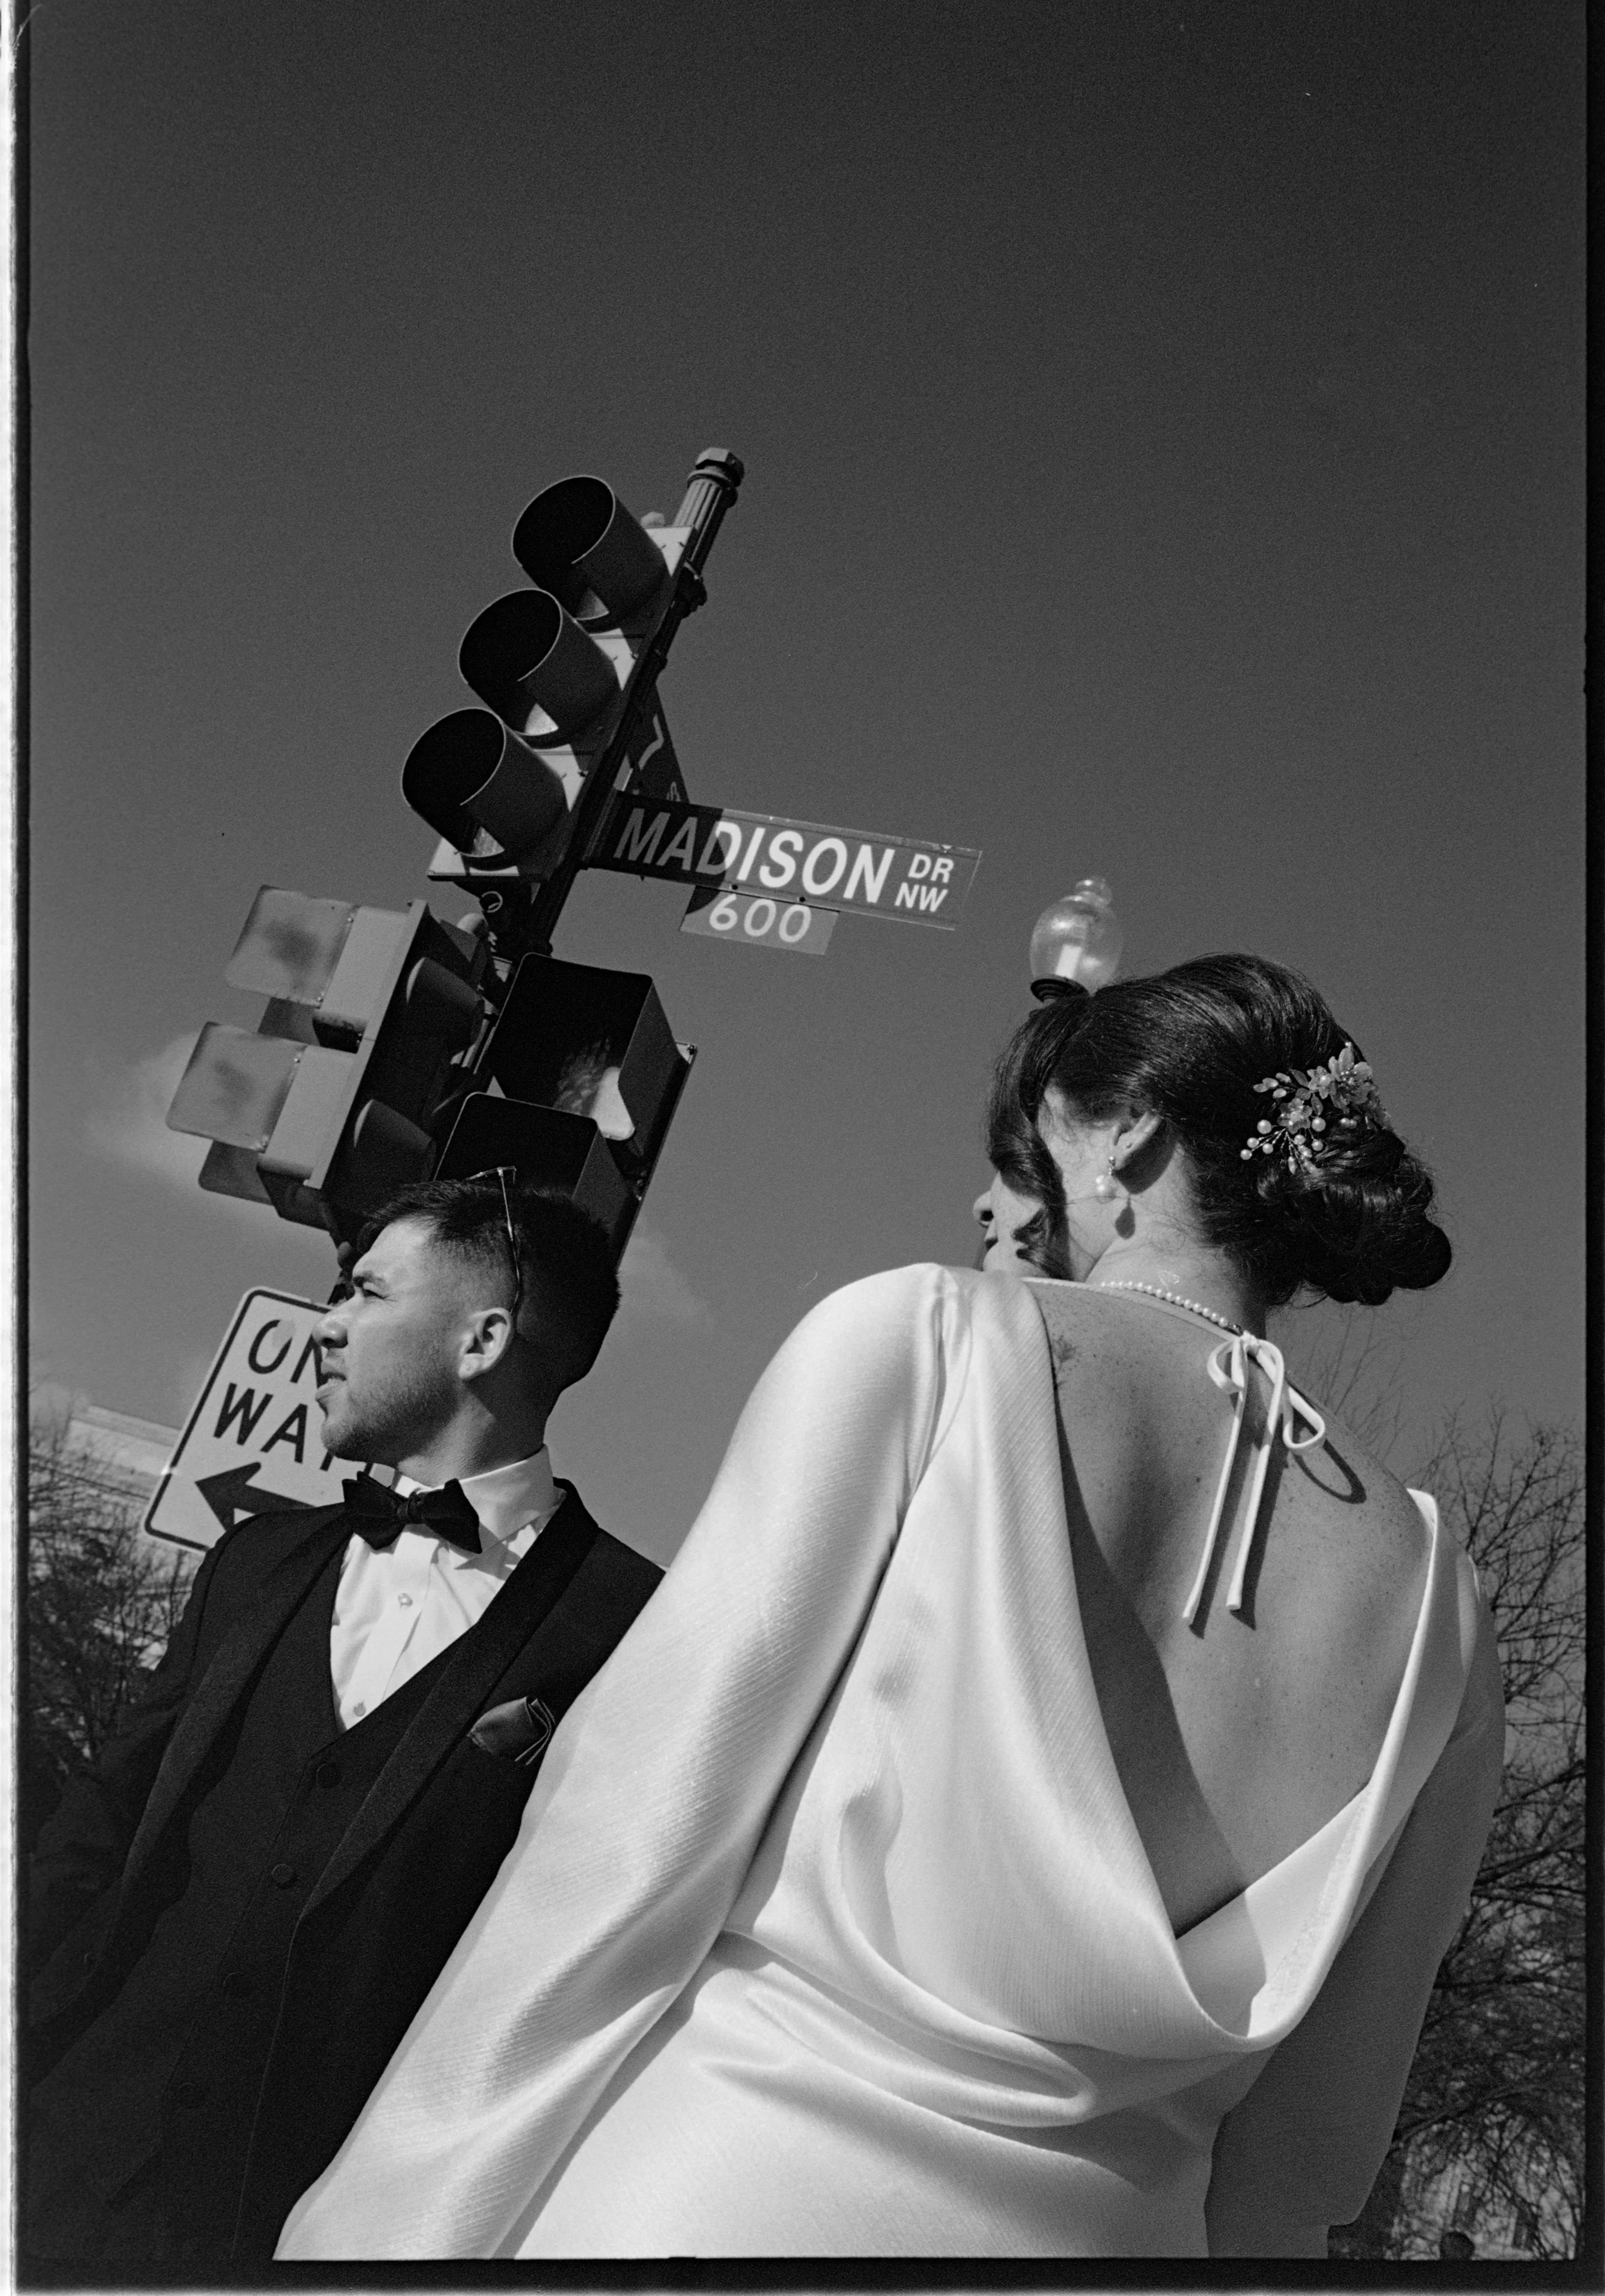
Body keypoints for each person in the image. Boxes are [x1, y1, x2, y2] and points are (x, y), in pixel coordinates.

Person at [278, 956, 1505, 2261]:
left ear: (1127, 1137)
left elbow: (623, 1850)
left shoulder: (926, 1343)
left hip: (718, 2207)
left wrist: (385, 2230)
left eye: (1037, 1145)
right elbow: (1312, 2150)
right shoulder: (1440, 1599)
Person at [24, 1177, 663, 2268]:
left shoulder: (633, 1623)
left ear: (483, 1338)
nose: (327, 1323)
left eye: (366, 1290)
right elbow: (101, 1825)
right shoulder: (254, 1564)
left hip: (313, 2234)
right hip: (55, 2155)